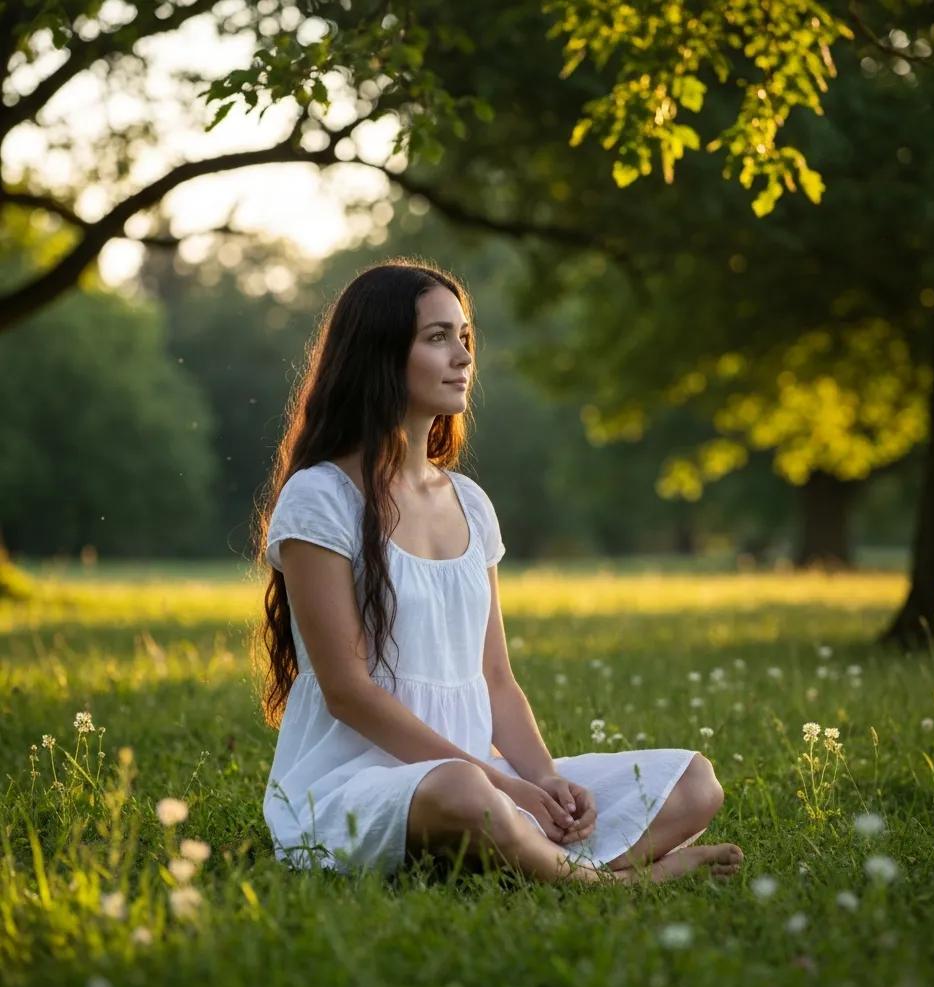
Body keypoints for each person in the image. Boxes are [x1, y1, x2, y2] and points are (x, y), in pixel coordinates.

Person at [254, 257, 743, 885]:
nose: (462, 356)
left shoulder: (470, 503)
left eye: (464, 337)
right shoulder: (320, 497)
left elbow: (497, 679)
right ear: (378, 355)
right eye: (437, 338)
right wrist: (496, 780)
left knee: (692, 782)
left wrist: (543, 779)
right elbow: (348, 692)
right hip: (359, 788)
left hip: (483, 781)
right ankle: (610, 885)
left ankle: (533, 858)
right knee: (463, 789)